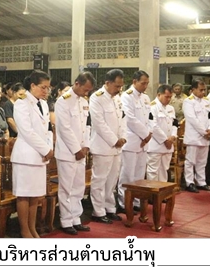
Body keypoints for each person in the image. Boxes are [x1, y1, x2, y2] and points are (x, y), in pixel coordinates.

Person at [10, 70, 54, 238]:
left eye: (48, 88)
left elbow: (47, 129)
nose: (46, 91)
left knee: (35, 195)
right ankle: (24, 230)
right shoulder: (21, 103)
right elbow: (26, 131)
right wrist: (45, 149)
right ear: (32, 85)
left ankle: (32, 227)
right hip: (26, 156)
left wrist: (49, 148)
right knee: (24, 195)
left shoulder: (42, 104)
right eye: (43, 87)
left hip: (40, 156)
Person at [54, 72, 96, 235]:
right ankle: (65, 220)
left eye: (88, 91)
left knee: (78, 186)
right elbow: (64, 129)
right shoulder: (62, 101)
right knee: (66, 188)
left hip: (81, 151)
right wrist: (76, 149)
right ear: (77, 84)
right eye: (85, 89)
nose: (86, 93)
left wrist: (85, 146)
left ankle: (76, 218)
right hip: (67, 152)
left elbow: (87, 126)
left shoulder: (84, 102)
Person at [89, 69, 127, 224]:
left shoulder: (117, 98)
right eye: (116, 86)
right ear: (107, 83)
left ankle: (110, 208)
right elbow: (99, 124)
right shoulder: (96, 98)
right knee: (100, 180)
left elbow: (122, 119)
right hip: (102, 146)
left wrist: (122, 137)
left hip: (117, 146)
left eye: (120, 87)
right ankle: (98, 211)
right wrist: (114, 140)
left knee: (112, 179)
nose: (119, 90)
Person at [117, 70, 152, 213]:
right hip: (132, 141)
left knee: (139, 174)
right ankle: (124, 202)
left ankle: (136, 200)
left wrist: (148, 134)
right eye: (143, 83)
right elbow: (130, 119)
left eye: (147, 83)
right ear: (134, 81)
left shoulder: (146, 98)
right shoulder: (126, 97)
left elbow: (150, 118)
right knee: (127, 174)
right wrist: (144, 134)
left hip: (144, 142)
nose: (145, 86)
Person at [183, 79, 210, 193]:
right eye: (201, 90)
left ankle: (201, 182)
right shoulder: (188, 101)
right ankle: (189, 182)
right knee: (191, 161)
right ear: (193, 90)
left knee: (202, 161)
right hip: (194, 136)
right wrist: (204, 132)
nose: (203, 92)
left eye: (204, 90)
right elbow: (192, 119)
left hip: (206, 136)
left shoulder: (206, 101)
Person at [146, 84, 178, 182]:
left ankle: (162, 194)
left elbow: (174, 124)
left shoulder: (170, 108)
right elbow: (153, 126)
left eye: (170, 97)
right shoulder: (152, 107)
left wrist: (173, 136)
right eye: (166, 96)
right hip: (156, 144)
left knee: (164, 170)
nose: (168, 99)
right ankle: (153, 194)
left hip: (168, 145)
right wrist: (165, 140)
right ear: (159, 94)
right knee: (153, 171)